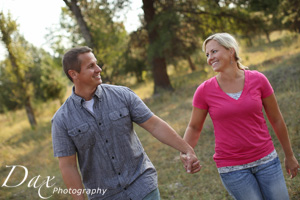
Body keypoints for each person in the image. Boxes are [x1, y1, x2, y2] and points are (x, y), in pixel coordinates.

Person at [51, 46, 201, 200]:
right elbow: (68, 166)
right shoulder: (61, 120)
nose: (99, 69)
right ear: (73, 74)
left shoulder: (122, 95)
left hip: (142, 186)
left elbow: (154, 125)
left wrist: (186, 149)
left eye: (96, 64)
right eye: (91, 66)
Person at [180, 33, 299, 200]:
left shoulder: (259, 80)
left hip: (267, 161)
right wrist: (185, 152)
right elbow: (194, 127)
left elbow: (276, 119)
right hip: (232, 169)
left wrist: (289, 155)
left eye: (214, 51)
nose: (210, 58)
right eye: (207, 54)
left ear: (231, 51)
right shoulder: (204, 91)